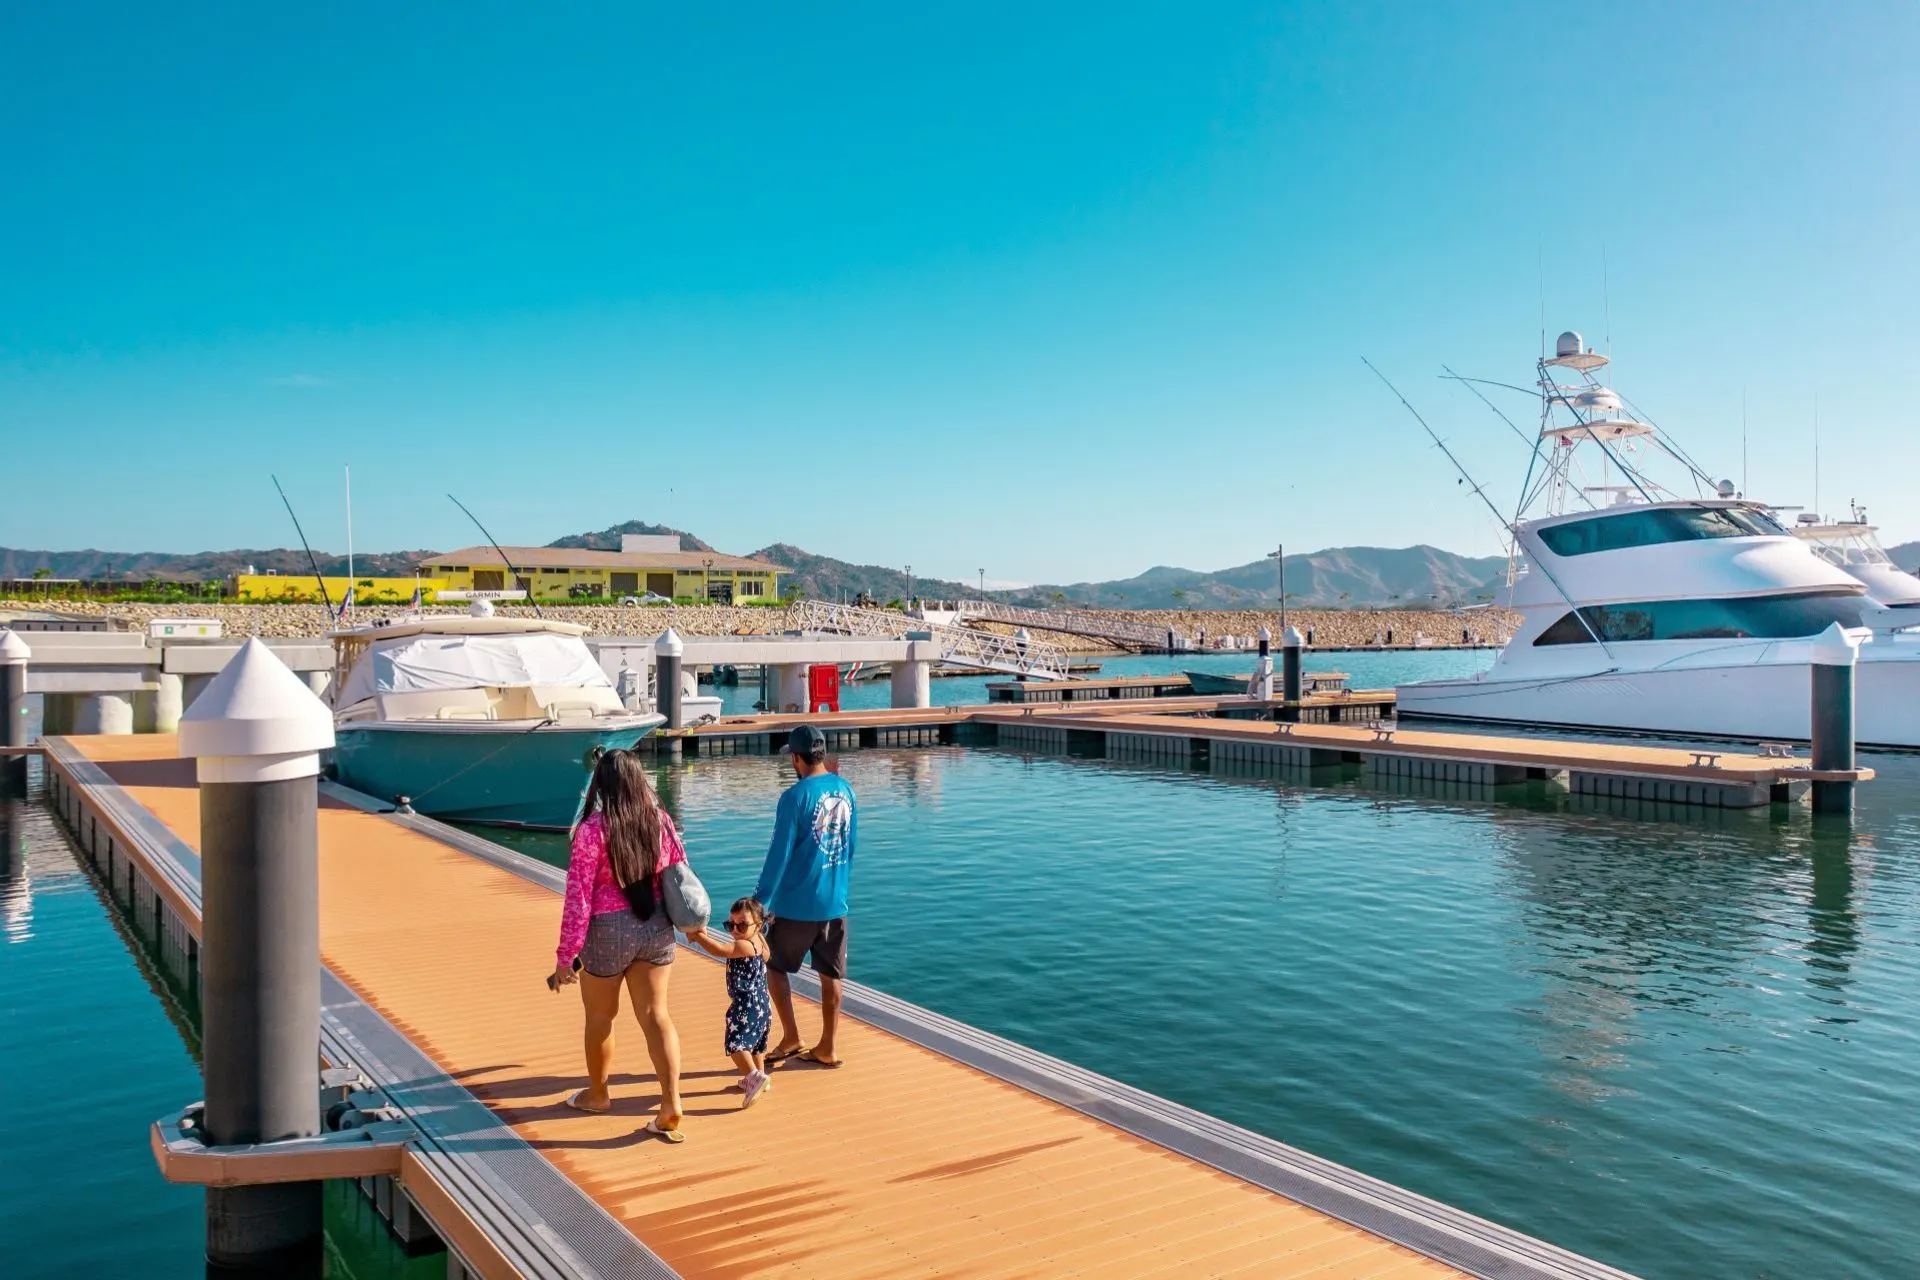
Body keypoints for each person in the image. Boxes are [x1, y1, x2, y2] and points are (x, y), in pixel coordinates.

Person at [551, 749, 687, 1142]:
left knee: (600, 1018)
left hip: (607, 932)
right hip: (655, 926)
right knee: (657, 1015)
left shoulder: (591, 831)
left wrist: (565, 957)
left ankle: (597, 1095)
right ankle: (670, 1101)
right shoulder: (660, 822)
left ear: (601, 786)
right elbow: (678, 875)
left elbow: (579, 899)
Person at [756, 724, 856, 1068]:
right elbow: (850, 846)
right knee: (832, 974)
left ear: (796, 758)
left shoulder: (794, 797)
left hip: (796, 904)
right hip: (835, 902)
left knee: (774, 966)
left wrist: (759, 901)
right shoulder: (846, 791)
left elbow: (777, 855)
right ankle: (828, 1046)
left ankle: (792, 1036)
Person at [684, 897, 775, 1107]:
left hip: (746, 1005)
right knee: (756, 1044)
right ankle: (760, 1075)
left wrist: (698, 937)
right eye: (730, 924)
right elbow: (767, 957)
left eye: (741, 925)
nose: (734, 930)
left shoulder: (743, 945)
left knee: (736, 1044)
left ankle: (754, 1078)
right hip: (762, 1003)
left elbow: (719, 950)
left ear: (758, 925)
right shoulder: (759, 940)